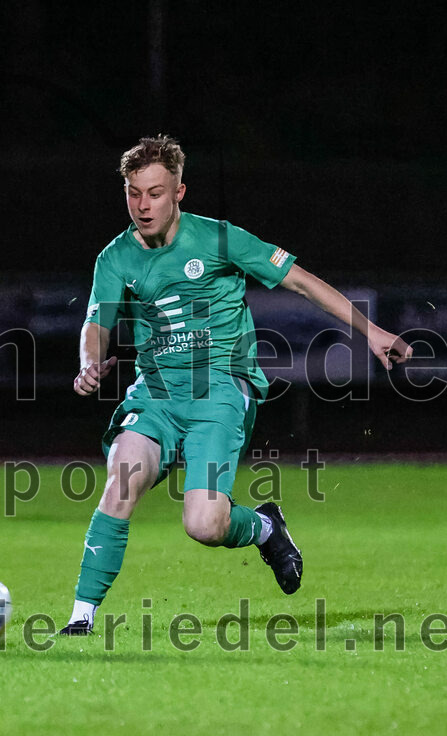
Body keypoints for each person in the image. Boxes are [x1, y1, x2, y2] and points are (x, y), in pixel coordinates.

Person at [59, 136, 412, 635]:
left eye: (155, 193)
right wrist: (88, 363)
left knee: (204, 525)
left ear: (180, 191)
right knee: (122, 477)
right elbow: (96, 323)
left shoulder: (219, 239)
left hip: (222, 390)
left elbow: (301, 281)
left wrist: (372, 331)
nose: (143, 205)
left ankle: (266, 527)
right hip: (156, 393)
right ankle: (80, 619)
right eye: (134, 193)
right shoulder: (115, 257)